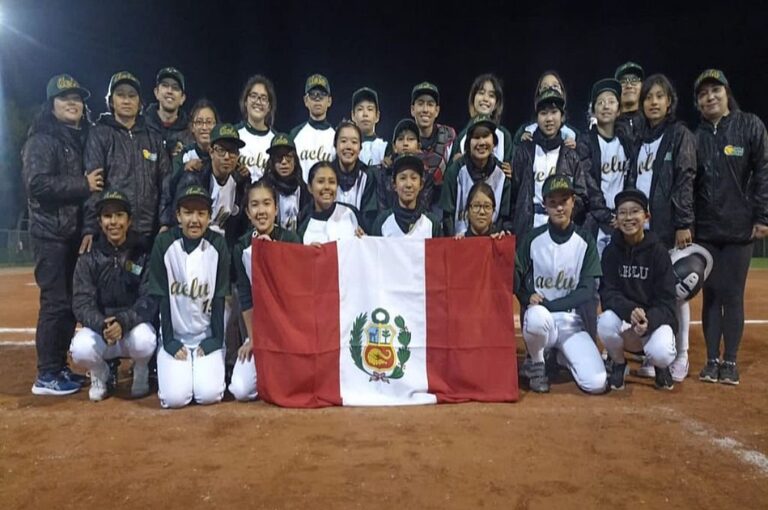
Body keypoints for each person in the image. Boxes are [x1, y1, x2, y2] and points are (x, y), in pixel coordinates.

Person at [23, 74, 99, 395]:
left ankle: (59, 368)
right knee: (55, 304)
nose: (73, 103)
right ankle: (47, 373)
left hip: (72, 236)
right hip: (50, 235)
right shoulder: (42, 139)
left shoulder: (80, 138)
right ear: (51, 104)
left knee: (69, 304)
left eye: (77, 98)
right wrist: (83, 184)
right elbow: (37, 183)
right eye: (65, 98)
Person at [693, 69, 768, 385]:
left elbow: (764, 170)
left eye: (715, 91)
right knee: (710, 295)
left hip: (739, 229)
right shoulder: (695, 136)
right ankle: (711, 360)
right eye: (703, 94)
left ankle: (731, 361)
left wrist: (762, 215)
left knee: (733, 295)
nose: (710, 97)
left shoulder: (749, 125)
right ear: (697, 102)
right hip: (707, 230)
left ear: (727, 93)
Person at [625, 73, 696, 382]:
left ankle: (681, 354)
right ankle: (654, 354)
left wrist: (683, 222)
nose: (653, 102)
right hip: (644, 229)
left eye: (659, 97)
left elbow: (685, 178)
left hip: (668, 227)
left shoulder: (679, 134)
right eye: (648, 97)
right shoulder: (641, 138)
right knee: (650, 292)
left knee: (675, 293)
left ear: (670, 102)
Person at [515, 175, 606, 394]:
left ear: (573, 202)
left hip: (571, 323)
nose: (559, 207)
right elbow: (514, 277)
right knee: (536, 317)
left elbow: (586, 290)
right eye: (553, 202)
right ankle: (537, 363)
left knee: (596, 384)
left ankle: (561, 356)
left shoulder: (585, 240)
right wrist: (527, 297)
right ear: (544, 204)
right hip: (541, 321)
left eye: (563, 200)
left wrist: (549, 305)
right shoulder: (533, 238)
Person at [69, 190, 157, 401]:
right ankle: (100, 371)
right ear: (100, 222)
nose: (114, 222)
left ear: (129, 221)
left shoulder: (143, 253)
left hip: (132, 328)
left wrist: (123, 322)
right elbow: (81, 302)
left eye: (119, 216)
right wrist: (103, 325)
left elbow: (150, 298)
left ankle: (141, 368)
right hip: (103, 331)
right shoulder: (89, 257)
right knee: (80, 349)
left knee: (146, 340)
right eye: (108, 216)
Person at [148, 185, 230, 408]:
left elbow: (220, 296)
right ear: (178, 215)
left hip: (207, 334)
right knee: (176, 399)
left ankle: (203, 366)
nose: (195, 220)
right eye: (188, 212)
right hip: (176, 336)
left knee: (208, 395)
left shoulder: (218, 245)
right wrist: (170, 342)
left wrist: (215, 340)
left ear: (209, 216)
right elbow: (162, 295)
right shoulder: (164, 244)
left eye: (201, 213)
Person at [82, 71, 171, 252]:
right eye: (120, 95)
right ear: (111, 101)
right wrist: (90, 227)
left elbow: (166, 183)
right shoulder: (99, 134)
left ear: (139, 102)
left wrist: (164, 222)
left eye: (132, 96)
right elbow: (94, 186)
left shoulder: (153, 137)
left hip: (149, 232)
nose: (126, 100)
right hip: (113, 233)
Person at [598, 189, 677, 390]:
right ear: (616, 218)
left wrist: (649, 319)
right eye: (622, 213)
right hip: (626, 323)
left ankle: (661, 367)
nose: (629, 217)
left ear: (646, 216)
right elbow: (608, 294)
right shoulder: (610, 252)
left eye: (635, 212)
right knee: (605, 322)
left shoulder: (659, 252)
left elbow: (667, 301)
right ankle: (618, 363)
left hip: (652, 324)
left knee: (662, 352)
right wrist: (631, 311)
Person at [229, 180, 300, 401]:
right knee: (241, 390)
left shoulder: (291, 240)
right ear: (248, 213)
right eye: (255, 205)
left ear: (276, 209)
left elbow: (297, 293)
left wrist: (272, 252)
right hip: (259, 332)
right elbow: (245, 296)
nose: (262, 211)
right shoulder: (241, 247)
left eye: (267, 204)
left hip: (289, 332)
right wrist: (252, 338)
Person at [510, 88, 591, 238]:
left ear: (562, 117)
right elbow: (513, 195)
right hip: (529, 228)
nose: (549, 119)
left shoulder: (571, 154)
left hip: (562, 228)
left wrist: (563, 215)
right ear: (536, 118)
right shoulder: (524, 152)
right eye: (543, 113)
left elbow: (582, 196)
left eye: (554, 112)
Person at [576, 78, 632, 257]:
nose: (605, 106)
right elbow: (588, 184)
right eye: (600, 102)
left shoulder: (627, 142)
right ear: (593, 110)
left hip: (624, 220)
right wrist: (607, 216)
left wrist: (624, 214)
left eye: (611, 102)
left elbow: (632, 179)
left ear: (619, 110)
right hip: (596, 222)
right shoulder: (585, 142)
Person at [173, 123, 249, 246]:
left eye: (232, 151)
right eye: (221, 150)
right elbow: (178, 221)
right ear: (211, 152)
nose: (227, 157)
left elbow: (238, 225)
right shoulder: (194, 179)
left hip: (223, 247)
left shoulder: (240, 182)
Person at [440, 115, 512, 236]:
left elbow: (504, 218)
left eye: (485, 136)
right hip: (460, 243)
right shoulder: (455, 171)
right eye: (476, 137)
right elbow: (448, 216)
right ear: (468, 143)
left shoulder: (502, 173)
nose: (482, 142)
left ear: (494, 141)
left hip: (492, 242)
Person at [373, 118, 444, 212]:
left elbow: (424, 207)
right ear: (394, 147)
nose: (405, 143)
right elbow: (382, 208)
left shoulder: (426, 175)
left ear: (418, 147)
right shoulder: (383, 173)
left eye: (411, 139)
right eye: (401, 139)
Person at [511, 71, 579, 160]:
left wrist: (577, 150)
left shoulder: (574, 134)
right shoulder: (525, 130)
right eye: (545, 87)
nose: (550, 90)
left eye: (555, 86)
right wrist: (522, 147)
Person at [450, 74, 513, 170]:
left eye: (491, 95)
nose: (485, 99)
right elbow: (451, 175)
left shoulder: (504, 136)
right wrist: (455, 165)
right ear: (473, 98)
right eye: (481, 93)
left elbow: (510, 172)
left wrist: (511, 173)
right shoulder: (462, 137)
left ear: (496, 104)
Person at [410, 81, 456, 211]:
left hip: (441, 208)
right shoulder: (403, 140)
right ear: (412, 109)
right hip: (410, 207)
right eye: (420, 104)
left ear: (437, 111)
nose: (425, 109)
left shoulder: (450, 137)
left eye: (430, 105)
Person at [370, 155, 441, 238]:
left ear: (421, 184)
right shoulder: (382, 222)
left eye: (414, 178)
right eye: (403, 178)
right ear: (394, 185)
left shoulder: (432, 223)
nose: (408, 184)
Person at [297, 161, 365, 244]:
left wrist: (364, 239)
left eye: (332, 182)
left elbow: (366, 250)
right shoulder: (303, 223)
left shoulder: (350, 213)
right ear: (310, 187)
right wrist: (309, 253)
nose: (327, 187)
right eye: (321, 181)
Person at [329, 120, 378, 230]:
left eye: (354, 142)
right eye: (343, 141)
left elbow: (369, 216)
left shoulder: (368, 176)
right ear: (335, 146)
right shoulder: (326, 173)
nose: (348, 146)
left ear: (360, 148)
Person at [262, 133, 310, 232]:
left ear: (295, 160)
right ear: (272, 161)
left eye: (288, 157)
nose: (284, 162)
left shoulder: (304, 190)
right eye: (279, 157)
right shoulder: (263, 189)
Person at [291, 74, 335, 181]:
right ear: (306, 100)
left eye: (322, 94)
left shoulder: (337, 136)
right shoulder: (295, 134)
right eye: (313, 95)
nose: (317, 99)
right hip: (300, 196)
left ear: (329, 100)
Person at [144, 67, 192, 158]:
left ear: (182, 98)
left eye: (175, 88)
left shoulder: (191, 132)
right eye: (165, 85)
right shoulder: (140, 125)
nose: (170, 91)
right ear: (156, 92)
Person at [237, 75, 277, 182]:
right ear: (245, 101)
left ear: (269, 106)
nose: (258, 102)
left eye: (263, 98)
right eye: (253, 96)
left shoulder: (276, 140)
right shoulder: (234, 135)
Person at [171, 99, 219, 188]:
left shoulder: (223, 154)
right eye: (199, 122)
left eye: (209, 122)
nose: (204, 127)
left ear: (216, 126)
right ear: (192, 127)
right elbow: (170, 186)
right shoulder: (184, 154)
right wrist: (184, 168)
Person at [351, 87, 390, 166]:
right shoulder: (347, 147)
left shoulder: (384, 147)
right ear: (353, 115)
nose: (365, 114)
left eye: (370, 109)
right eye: (360, 109)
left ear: (377, 116)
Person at [614, 61, 645, 144]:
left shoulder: (652, 122)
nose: (629, 85)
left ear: (642, 86)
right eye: (623, 81)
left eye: (634, 80)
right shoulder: (607, 124)